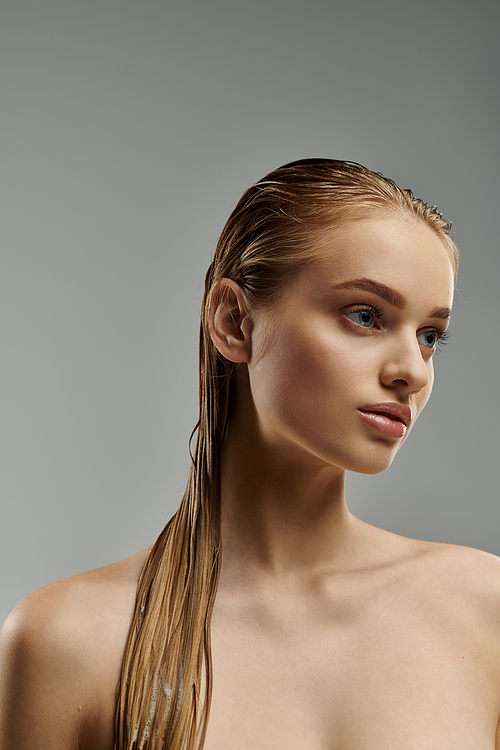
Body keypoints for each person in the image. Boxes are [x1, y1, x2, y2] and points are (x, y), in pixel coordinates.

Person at [1, 158, 499, 750]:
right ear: (234, 320)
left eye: (430, 336)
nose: (412, 372)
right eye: (365, 316)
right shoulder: (65, 641)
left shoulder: (483, 611)